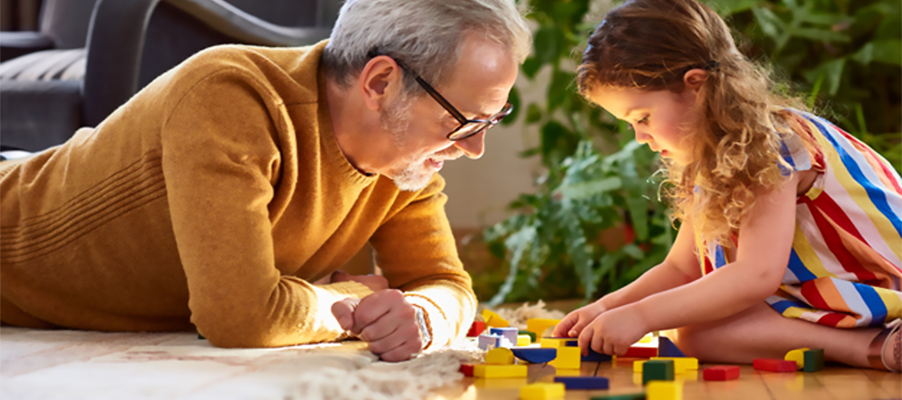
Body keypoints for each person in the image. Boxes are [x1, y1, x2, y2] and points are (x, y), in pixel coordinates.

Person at [0, 0, 531, 362]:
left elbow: (447, 284)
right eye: (463, 122)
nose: (474, 147)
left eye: (490, 121)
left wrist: (422, 313)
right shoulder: (229, 97)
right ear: (381, 82)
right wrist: (348, 298)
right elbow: (241, 317)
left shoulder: (405, 162)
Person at [554, 0, 902, 371]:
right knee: (695, 335)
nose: (640, 136)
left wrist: (640, 316)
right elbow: (681, 269)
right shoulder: (707, 158)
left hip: (880, 284)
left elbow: (756, 275)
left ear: (696, 87)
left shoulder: (772, 144)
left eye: (643, 117)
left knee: (694, 328)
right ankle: (872, 345)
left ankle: (873, 345)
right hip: (830, 295)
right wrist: (607, 307)